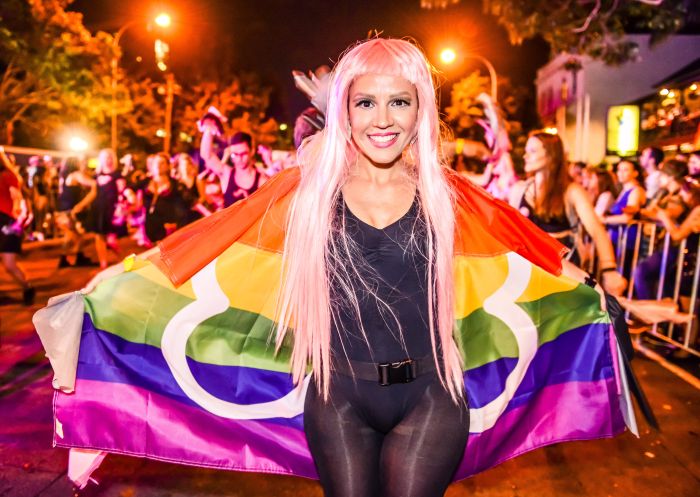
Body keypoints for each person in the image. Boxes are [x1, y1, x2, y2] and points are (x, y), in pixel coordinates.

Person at [40, 39, 635, 497]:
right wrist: (110, 287)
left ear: (420, 111)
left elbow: (526, 246)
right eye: (365, 101)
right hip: (336, 397)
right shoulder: (307, 191)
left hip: (432, 395)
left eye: (399, 101)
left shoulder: (448, 194)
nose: (383, 118)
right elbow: (213, 239)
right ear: (344, 110)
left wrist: (592, 285)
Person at [508, 131, 626, 294]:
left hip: (564, 272)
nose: (525, 156)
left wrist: (609, 268)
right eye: (526, 151)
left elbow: (596, 230)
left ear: (551, 155)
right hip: (530, 270)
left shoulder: (571, 191)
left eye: (533, 151)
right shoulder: (519, 190)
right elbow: (508, 231)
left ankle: (662, 310)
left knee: (599, 302)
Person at [0, 146, 34, 304]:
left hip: (6, 221)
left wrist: (19, 219)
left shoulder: (7, 175)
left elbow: (17, 198)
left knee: (8, 264)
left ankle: (27, 287)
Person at [55, 157, 97, 268]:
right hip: (69, 211)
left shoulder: (63, 177)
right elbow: (93, 184)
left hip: (61, 211)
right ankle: (73, 258)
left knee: (70, 237)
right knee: (77, 238)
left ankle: (71, 258)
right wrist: (85, 202)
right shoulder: (76, 175)